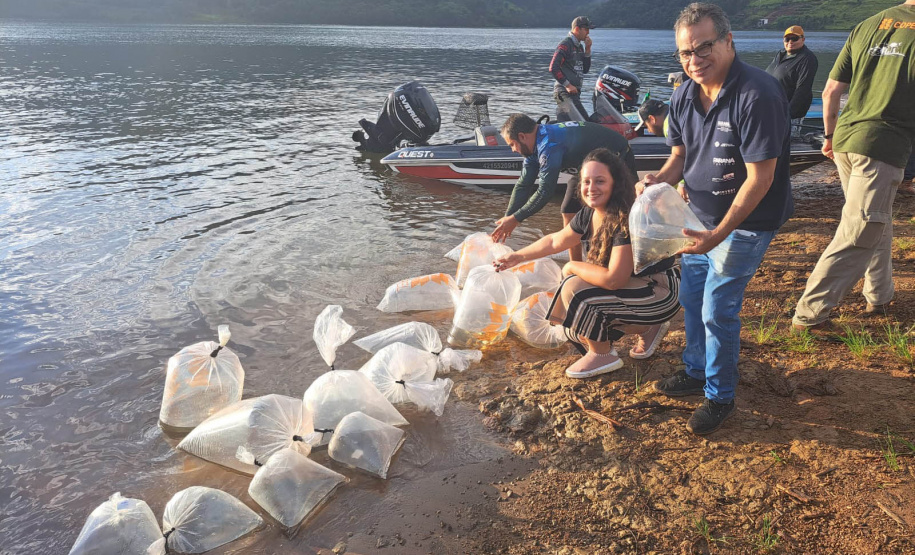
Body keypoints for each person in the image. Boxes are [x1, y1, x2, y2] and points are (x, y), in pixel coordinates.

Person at [641, 3, 792, 435]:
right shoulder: (682, 95)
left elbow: (760, 179)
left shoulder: (757, 94)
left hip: (746, 223)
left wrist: (718, 234)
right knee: (690, 299)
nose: (694, 60)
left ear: (729, 41)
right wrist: (659, 181)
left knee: (717, 308)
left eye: (704, 47)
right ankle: (694, 370)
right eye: (685, 53)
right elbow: (680, 157)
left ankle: (719, 395)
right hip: (697, 218)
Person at [493, 148, 680, 378]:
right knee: (574, 326)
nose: (591, 188)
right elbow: (555, 241)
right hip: (638, 288)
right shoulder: (589, 214)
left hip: (661, 292)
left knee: (575, 289)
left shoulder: (626, 216)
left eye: (600, 181)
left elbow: (614, 279)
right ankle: (648, 329)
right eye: (586, 182)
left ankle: (603, 355)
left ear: (616, 183)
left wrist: (571, 267)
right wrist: (517, 256)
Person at [792, 1, 915, 328]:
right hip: (881, 144)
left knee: (878, 217)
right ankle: (810, 315)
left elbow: (831, 91)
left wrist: (829, 136)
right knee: (862, 227)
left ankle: (880, 294)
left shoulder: (869, 24)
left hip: (847, 139)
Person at [492, 114, 636, 262]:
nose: (513, 150)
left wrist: (516, 219)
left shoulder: (549, 146)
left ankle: (623, 258)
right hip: (586, 167)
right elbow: (523, 185)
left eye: (512, 144)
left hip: (619, 157)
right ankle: (576, 264)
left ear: (522, 136)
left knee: (625, 211)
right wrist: (507, 219)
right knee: (568, 211)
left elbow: (545, 191)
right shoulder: (533, 146)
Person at [766, 25, 819, 137]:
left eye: (794, 38)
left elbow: (803, 89)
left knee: (786, 143)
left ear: (803, 39)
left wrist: (788, 114)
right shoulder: (781, 54)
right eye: (787, 39)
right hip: (772, 109)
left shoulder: (807, 59)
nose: (790, 41)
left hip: (789, 114)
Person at [550, 16, 596, 121]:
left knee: (576, 123)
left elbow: (585, 70)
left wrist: (588, 49)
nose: (588, 32)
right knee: (584, 122)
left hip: (574, 94)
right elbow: (553, 67)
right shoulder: (566, 44)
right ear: (577, 29)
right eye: (586, 29)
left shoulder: (579, 46)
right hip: (564, 92)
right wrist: (568, 85)